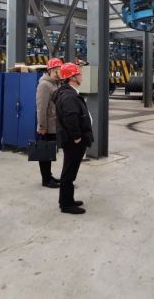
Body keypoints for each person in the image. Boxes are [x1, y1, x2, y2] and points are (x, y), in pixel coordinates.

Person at [54, 62, 93, 214]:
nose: (81, 76)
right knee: (69, 173)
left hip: (71, 140)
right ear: (72, 77)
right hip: (73, 141)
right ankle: (66, 205)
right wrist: (77, 137)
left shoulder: (69, 93)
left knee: (69, 172)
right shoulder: (69, 96)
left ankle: (67, 200)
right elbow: (71, 118)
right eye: (79, 74)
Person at [35, 57, 62, 188]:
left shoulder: (56, 84)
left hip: (54, 125)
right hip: (47, 126)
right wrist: (42, 126)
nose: (60, 72)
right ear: (51, 70)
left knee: (50, 151)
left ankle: (49, 175)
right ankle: (45, 180)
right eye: (58, 69)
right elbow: (41, 108)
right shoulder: (44, 85)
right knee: (45, 152)